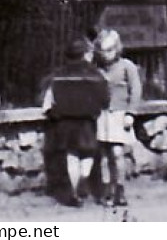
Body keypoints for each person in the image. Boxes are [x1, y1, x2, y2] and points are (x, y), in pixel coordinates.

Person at [41, 39, 108, 208]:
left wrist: (55, 114)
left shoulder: (57, 75)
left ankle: (74, 191)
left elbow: (48, 101)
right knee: (88, 153)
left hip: (65, 122)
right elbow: (105, 99)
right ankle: (84, 178)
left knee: (72, 155)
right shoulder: (95, 75)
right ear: (85, 54)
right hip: (87, 121)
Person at [93, 29, 142, 207]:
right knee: (104, 155)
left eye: (110, 50)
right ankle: (107, 190)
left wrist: (131, 113)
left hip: (120, 115)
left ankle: (120, 189)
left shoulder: (127, 66)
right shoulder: (96, 68)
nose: (106, 55)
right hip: (102, 115)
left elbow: (136, 91)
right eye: (103, 50)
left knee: (117, 153)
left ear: (117, 48)